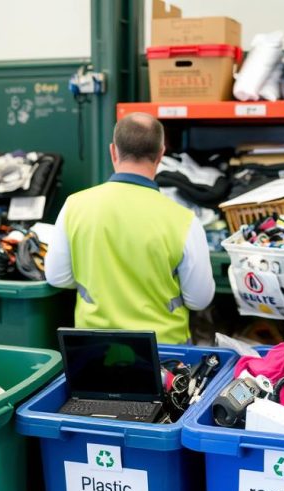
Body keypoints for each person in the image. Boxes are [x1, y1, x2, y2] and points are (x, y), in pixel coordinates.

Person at [45, 113, 215, 343]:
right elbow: (199, 299)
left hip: (93, 348)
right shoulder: (184, 220)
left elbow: (57, 277)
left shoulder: (74, 206)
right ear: (160, 154)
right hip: (164, 353)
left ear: (113, 151)